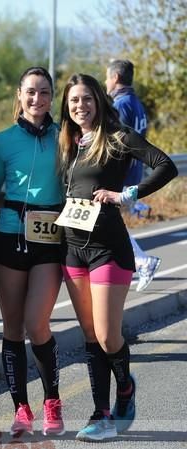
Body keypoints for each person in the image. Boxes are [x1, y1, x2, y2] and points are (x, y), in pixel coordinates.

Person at [57, 73, 177, 441]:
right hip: (72, 248)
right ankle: (101, 414)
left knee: (109, 336)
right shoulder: (69, 142)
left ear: (99, 100)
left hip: (109, 247)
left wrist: (125, 195)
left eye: (87, 99)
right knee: (90, 336)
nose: (81, 106)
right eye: (74, 100)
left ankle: (125, 387)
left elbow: (165, 165)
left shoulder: (118, 136)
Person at [0, 66, 65, 437]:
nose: (37, 99)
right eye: (31, 92)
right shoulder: (2, 141)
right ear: (19, 95)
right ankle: (21, 407)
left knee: (37, 322)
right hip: (8, 237)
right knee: (13, 327)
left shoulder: (65, 137)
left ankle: (52, 399)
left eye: (45, 92)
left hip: (50, 240)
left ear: (53, 97)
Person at [106, 59, 161, 292]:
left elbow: (115, 139)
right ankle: (134, 263)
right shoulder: (137, 103)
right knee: (113, 222)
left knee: (111, 222)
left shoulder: (120, 104)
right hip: (134, 170)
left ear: (116, 78)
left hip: (122, 172)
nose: (106, 82)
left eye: (107, 77)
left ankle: (141, 261)